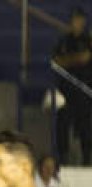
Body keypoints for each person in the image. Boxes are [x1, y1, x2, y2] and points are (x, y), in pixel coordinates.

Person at [53, 8, 92, 166]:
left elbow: (86, 58)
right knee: (62, 123)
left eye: (81, 19)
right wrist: (77, 59)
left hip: (85, 91)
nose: (79, 22)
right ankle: (63, 157)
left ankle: (87, 158)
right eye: (76, 19)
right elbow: (56, 62)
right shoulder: (64, 41)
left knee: (86, 127)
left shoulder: (88, 40)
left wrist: (69, 60)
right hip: (66, 91)